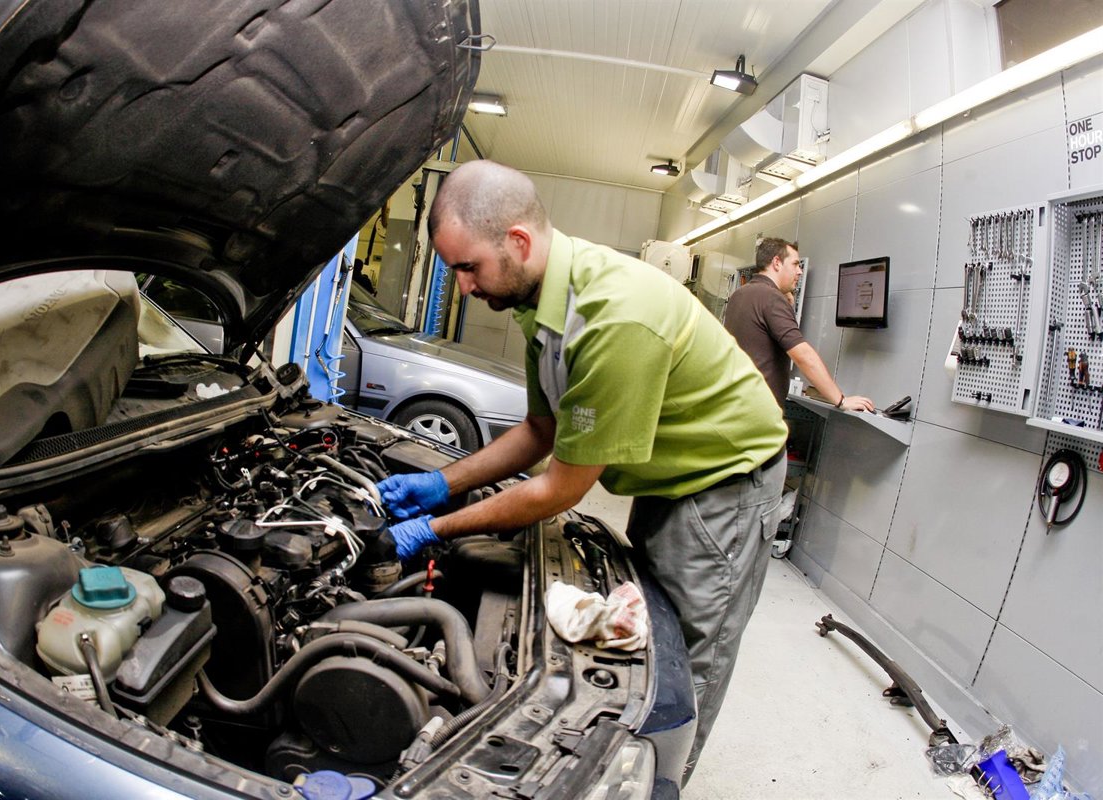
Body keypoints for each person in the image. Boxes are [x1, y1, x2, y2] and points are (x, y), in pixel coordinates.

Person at [374, 159, 789, 781]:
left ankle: (658, 781)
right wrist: (443, 482)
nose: (462, 287)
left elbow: (561, 488)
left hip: (723, 483)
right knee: (648, 625)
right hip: (666, 475)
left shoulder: (612, 316)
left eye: (468, 267)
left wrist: (435, 528)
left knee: (680, 662)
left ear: (518, 241)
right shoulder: (542, 302)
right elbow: (540, 432)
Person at [724, 237, 874, 411]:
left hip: (734, 404)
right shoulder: (771, 298)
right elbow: (803, 355)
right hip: (756, 411)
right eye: (795, 264)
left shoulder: (739, 295)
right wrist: (841, 400)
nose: (800, 271)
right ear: (777, 263)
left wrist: (787, 304)